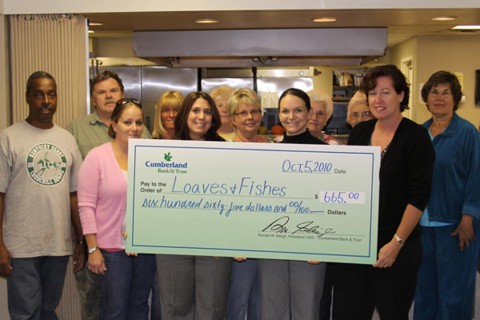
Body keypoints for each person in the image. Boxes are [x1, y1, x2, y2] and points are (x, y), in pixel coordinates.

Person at [331, 65, 435, 320]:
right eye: (373, 93)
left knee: (392, 313)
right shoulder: (360, 132)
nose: (378, 100)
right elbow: (348, 186)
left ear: (401, 95)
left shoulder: (416, 137)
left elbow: (418, 197)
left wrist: (396, 244)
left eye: (386, 92)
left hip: (395, 248)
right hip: (356, 247)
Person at [67, 70, 155, 320]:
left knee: (139, 307)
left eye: (139, 122)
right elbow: (85, 206)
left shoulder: (150, 156)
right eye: (128, 122)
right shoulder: (97, 157)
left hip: (144, 248)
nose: (134, 128)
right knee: (114, 311)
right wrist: (92, 248)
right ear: (114, 125)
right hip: (111, 250)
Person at [0, 71, 84, 319]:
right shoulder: (9, 138)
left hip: (57, 245)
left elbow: (73, 195)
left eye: (51, 94)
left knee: (47, 311)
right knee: (26, 313)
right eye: (38, 94)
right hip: (21, 246)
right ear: (27, 97)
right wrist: (0, 245)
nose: (46, 100)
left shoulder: (67, 139)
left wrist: (79, 241)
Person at [156, 92, 231, 320]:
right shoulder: (165, 153)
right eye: (196, 110)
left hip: (215, 244)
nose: (201, 116)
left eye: (207, 112)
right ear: (185, 114)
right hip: (173, 243)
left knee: (212, 310)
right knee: (175, 309)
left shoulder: (229, 152)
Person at [414, 71, 480, 320]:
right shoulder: (419, 133)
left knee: (453, 295)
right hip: (422, 227)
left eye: (446, 93)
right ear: (426, 97)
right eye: (434, 92)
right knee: (424, 293)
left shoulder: (467, 134)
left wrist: (468, 218)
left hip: (455, 227)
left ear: (455, 98)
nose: (439, 98)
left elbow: (477, 178)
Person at [258, 88, 326, 320]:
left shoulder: (327, 154)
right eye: (285, 111)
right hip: (272, 244)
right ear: (278, 115)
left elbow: (333, 204)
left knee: (306, 310)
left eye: (298, 110)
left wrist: (326, 245)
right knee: (272, 309)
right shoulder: (267, 154)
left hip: (311, 245)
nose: (291, 116)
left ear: (309, 114)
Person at [319, 89, 374, 320]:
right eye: (355, 115)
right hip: (337, 236)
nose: (360, 120)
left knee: (362, 297)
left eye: (365, 114)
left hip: (369, 238)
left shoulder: (339, 148)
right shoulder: (347, 148)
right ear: (348, 119)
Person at [225, 88, 265, 320]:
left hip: (267, 237)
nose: (249, 117)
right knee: (237, 302)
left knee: (261, 301)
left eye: (254, 111)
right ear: (233, 119)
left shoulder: (274, 147)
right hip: (237, 240)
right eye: (242, 113)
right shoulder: (223, 150)